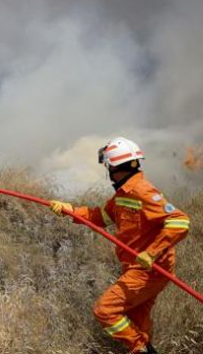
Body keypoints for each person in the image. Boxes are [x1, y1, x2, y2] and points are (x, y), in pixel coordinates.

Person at [50, 137, 190, 354]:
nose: (109, 173)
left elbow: (180, 222)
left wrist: (151, 253)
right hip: (136, 267)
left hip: (149, 270)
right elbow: (101, 217)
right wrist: (70, 211)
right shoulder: (122, 195)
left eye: (109, 167)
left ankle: (140, 348)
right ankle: (141, 346)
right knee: (137, 320)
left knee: (105, 310)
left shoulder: (143, 191)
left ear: (117, 168)